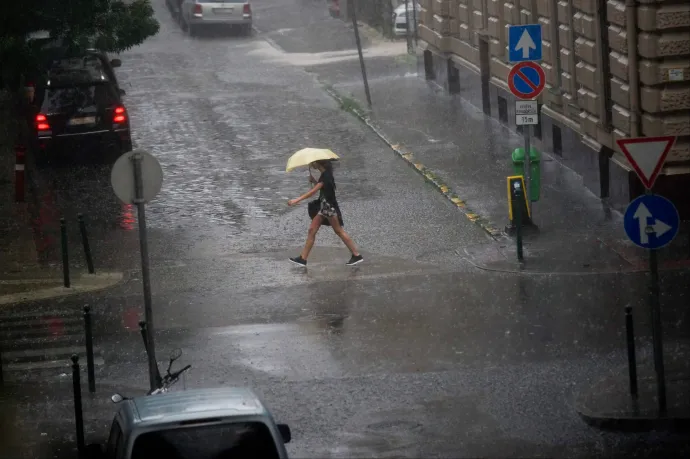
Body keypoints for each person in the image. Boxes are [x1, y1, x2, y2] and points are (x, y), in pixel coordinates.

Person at [287, 159, 363, 267]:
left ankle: (357, 255)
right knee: (312, 230)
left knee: (339, 231)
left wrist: (296, 200)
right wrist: (314, 181)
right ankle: (302, 259)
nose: (312, 164)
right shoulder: (325, 175)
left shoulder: (326, 176)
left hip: (328, 208)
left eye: (314, 162)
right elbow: (323, 187)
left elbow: (313, 192)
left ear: (319, 164)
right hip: (324, 208)